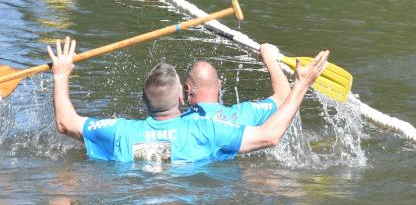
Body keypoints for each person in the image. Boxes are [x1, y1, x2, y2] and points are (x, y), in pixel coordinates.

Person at [47, 36, 330, 162]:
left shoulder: (120, 132)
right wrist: (302, 83)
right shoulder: (207, 129)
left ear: (143, 101)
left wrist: (61, 74)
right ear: (183, 97)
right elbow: (270, 136)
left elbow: (65, 122)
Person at [183, 43, 288, 126]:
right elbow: (285, 98)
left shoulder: (177, 125)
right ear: (219, 85)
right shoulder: (239, 116)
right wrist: (269, 58)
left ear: (187, 89)